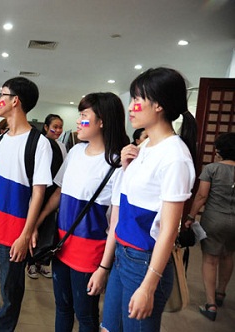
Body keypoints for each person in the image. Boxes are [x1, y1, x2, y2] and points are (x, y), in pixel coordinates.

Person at [101, 67, 197, 332]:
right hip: (123, 253)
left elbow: (168, 229)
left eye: (137, 100)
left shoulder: (175, 156)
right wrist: (124, 167)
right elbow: (124, 201)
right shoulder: (143, 147)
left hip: (144, 261)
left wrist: (149, 286)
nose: (130, 107)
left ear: (159, 105)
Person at [35, 93, 129, 331]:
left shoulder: (117, 164)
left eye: (84, 116)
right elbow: (59, 191)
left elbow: (116, 223)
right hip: (61, 245)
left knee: (85, 315)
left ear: (102, 121)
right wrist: (38, 220)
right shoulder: (75, 152)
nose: (78, 122)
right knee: (62, 307)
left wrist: (103, 268)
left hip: (90, 252)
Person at [0, 77, 53, 331]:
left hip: (13, 234)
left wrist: (26, 235)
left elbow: (38, 194)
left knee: (11, 292)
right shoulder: (0, 140)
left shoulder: (39, 144)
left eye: (2, 94)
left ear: (15, 101)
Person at [185, 132, 235, 321]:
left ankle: (211, 304)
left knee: (210, 259)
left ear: (219, 150)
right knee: (229, 255)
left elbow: (202, 196)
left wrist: (191, 215)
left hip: (214, 220)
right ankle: (221, 293)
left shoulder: (212, 169)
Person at [26, 113, 67, 280]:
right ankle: (31, 263)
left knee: (47, 229)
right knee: (35, 226)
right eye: (54, 126)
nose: (57, 130)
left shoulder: (62, 146)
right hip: (42, 190)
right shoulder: (41, 144)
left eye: (60, 127)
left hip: (54, 192)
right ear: (45, 127)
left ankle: (41, 262)